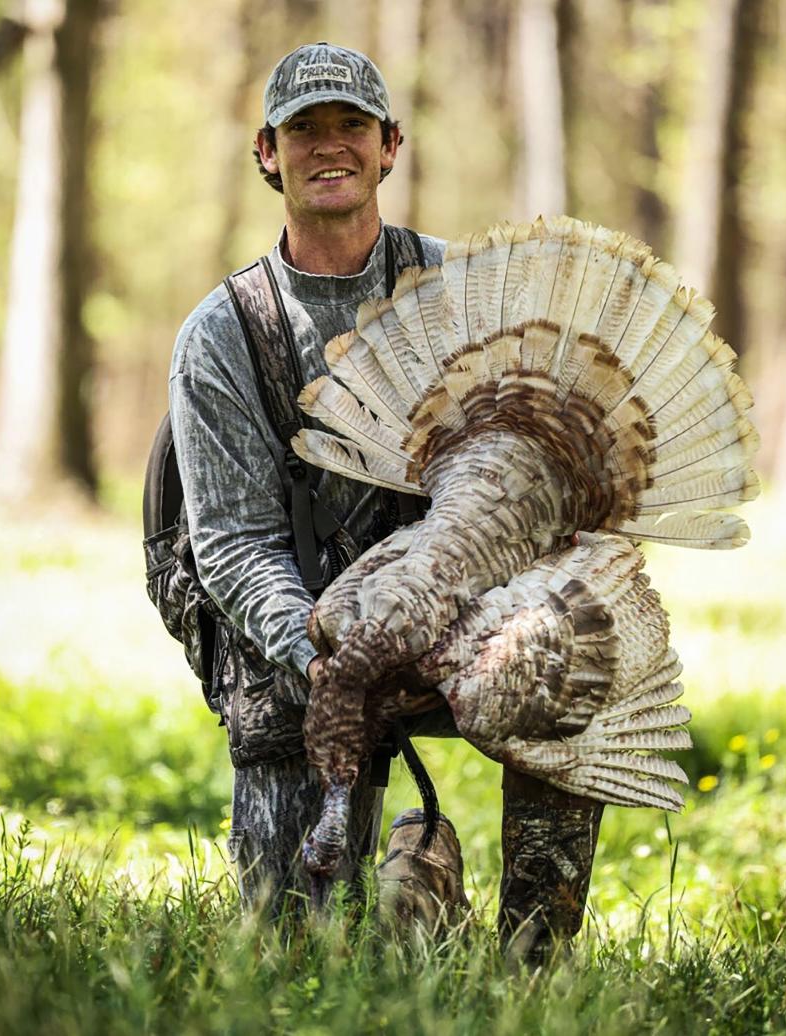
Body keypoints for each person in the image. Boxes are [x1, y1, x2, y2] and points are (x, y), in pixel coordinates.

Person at [168, 42, 603, 961]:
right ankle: (418, 869)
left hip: (464, 612)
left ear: (390, 146)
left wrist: (466, 629)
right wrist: (335, 662)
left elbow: (533, 475)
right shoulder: (223, 334)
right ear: (266, 152)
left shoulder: (459, 291)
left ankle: (533, 959)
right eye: (305, 129)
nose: (331, 146)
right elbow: (239, 545)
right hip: (308, 640)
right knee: (296, 950)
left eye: (352, 126)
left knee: (570, 679)